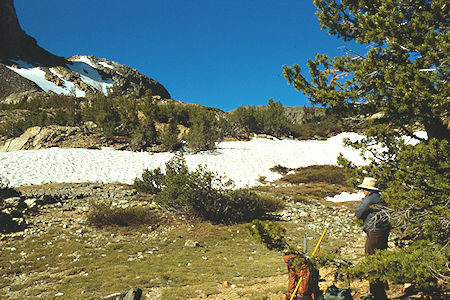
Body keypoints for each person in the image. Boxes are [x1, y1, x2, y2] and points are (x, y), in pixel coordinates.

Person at [355, 177, 390, 299]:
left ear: (367, 189)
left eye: (364, 189)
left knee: (371, 260)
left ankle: (376, 292)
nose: (363, 191)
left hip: (374, 232)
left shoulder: (370, 198)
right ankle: (381, 290)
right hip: (382, 232)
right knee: (380, 259)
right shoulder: (379, 198)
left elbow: (359, 212)